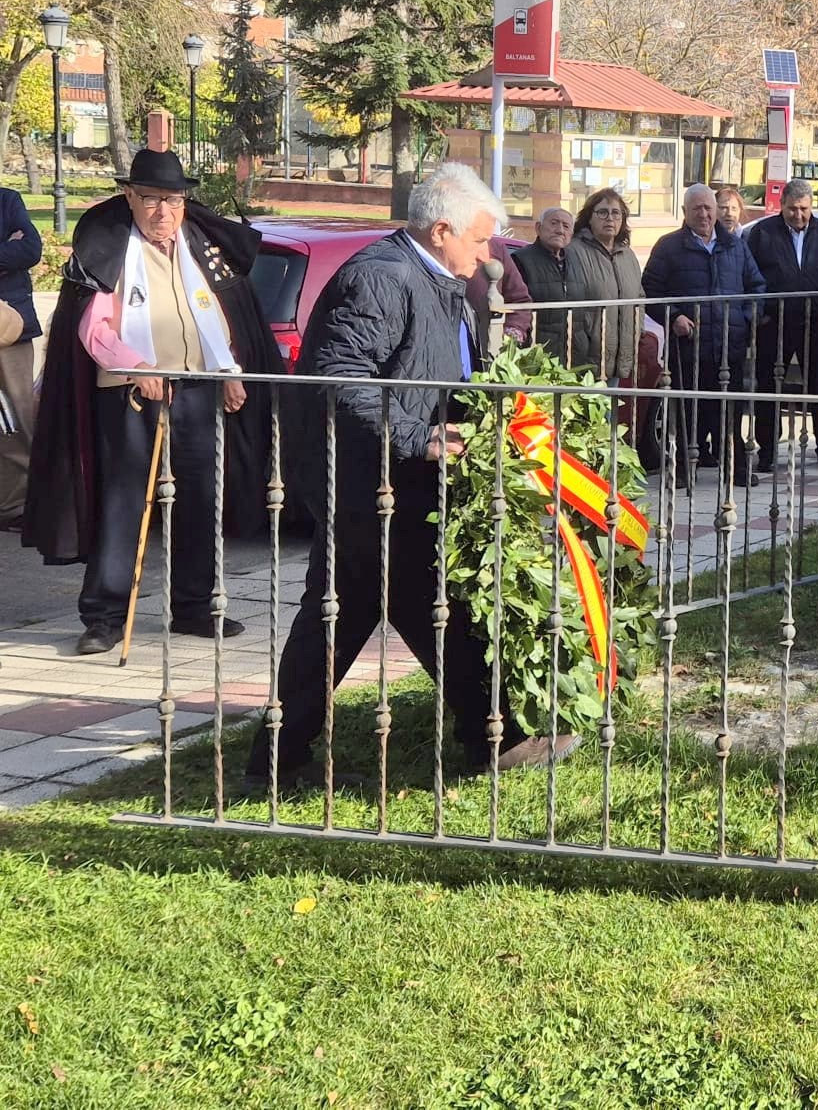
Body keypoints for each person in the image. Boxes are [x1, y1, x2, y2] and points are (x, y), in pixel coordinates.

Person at [247, 163, 570, 789]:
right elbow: (340, 381)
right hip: (372, 479)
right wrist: (420, 437)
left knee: (366, 610)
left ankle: (281, 756)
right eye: (479, 239)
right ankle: (491, 737)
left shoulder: (437, 276)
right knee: (398, 606)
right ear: (441, 228)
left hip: (399, 479)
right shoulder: (381, 279)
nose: (488, 254)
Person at [28, 149, 281, 655]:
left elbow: (221, 318)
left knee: (200, 501)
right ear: (130, 196)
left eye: (172, 199)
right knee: (125, 503)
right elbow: (91, 328)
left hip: (197, 391)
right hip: (131, 396)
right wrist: (136, 367)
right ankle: (104, 616)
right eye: (150, 199)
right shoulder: (109, 249)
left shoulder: (199, 249)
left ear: (184, 202)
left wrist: (228, 371)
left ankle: (192, 607)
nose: (162, 211)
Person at [643, 184, 765, 486]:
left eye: (709, 207)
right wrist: (673, 318)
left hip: (728, 345)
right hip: (688, 346)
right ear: (685, 212)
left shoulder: (736, 246)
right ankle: (683, 470)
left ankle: (735, 469)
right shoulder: (669, 246)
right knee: (687, 413)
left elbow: (757, 287)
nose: (704, 213)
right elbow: (651, 292)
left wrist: (746, 319)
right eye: (696, 208)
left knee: (729, 412)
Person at [743, 177, 818, 474]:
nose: (798, 215)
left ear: (811, 206)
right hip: (775, 322)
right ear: (781, 205)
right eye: (791, 209)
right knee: (769, 388)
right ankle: (769, 451)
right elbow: (751, 275)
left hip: (816, 322)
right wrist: (761, 312)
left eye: (803, 209)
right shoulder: (762, 233)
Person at [565, 189, 643, 384]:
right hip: (586, 357)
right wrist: (582, 341)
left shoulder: (627, 255)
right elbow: (571, 300)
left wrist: (637, 330)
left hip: (618, 357)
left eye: (616, 213)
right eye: (602, 212)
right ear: (589, 218)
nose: (610, 218)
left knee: (611, 412)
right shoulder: (574, 251)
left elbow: (640, 298)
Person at [0, 182, 41, 526]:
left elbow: (29, 249)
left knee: (15, 417)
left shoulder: (7, 200)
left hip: (10, 330)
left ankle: (15, 507)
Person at [511, 206, 582, 360]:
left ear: (571, 234)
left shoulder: (577, 261)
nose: (560, 230)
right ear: (538, 228)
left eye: (566, 226)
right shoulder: (521, 259)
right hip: (535, 352)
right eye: (554, 223)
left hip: (572, 353)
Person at [463, 237, 533, 364]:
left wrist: (510, 337)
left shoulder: (496, 248)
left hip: (489, 350)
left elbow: (519, 300)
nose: (483, 257)